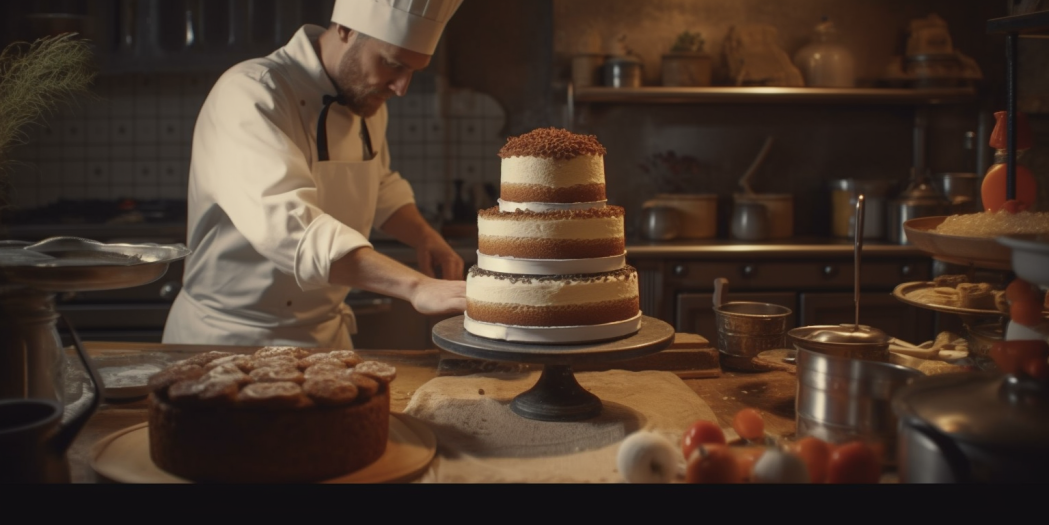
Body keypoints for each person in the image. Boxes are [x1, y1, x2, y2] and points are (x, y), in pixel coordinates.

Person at [163, 0, 466, 349]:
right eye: (393, 64)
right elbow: (289, 228)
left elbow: (377, 185)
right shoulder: (252, 93)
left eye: (413, 71)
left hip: (325, 341)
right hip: (228, 339)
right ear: (345, 30)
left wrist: (425, 237)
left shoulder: (365, 99)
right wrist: (416, 286)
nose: (401, 87)